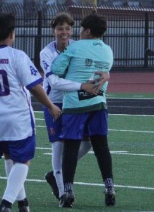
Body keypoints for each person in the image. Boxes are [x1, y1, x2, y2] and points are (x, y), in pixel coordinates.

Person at [0, 12, 61, 212]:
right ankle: (6, 203)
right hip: (17, 116)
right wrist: (50, 106)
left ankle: (22, 202)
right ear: (12, 33)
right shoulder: (17, 56)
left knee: (10, 157)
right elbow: (34, 87)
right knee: (24, 160)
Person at [39, 12, 108, 200]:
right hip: (54, 102)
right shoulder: (46, 53)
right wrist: (81, 86)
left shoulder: (77, 47)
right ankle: (63, 192)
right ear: (53, 31)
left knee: (87, 142)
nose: (64, 32)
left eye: (68, 28)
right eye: (60, 28)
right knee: (58, 145)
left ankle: (56, 173)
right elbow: (54, 82)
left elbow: (94, 68)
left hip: (76, 102)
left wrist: (105, 74)